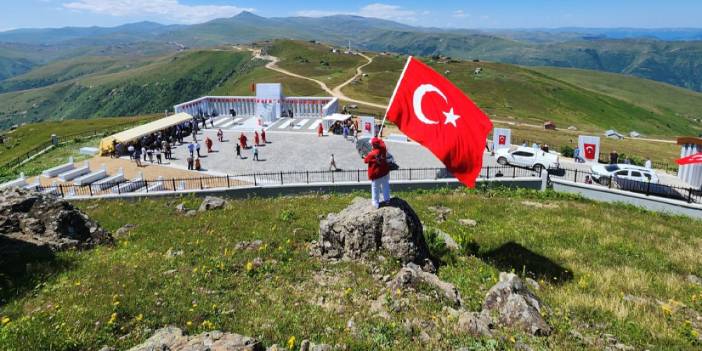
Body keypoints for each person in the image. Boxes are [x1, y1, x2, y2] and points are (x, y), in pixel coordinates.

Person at [364, 137, 391, 208]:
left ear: (373, 145)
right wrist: (377, 141)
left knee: (375, 188)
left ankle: (375, 203)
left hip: (376, 175)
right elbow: (382, 142)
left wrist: (369, 152)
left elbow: (365, 161)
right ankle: (387, 200)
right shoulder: (383, 149)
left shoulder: (371, 154)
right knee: (385, 186)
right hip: (384, 172)